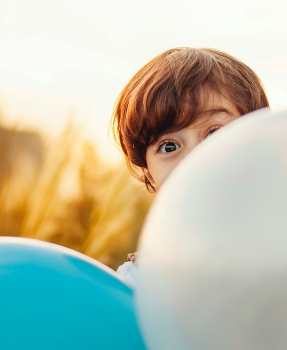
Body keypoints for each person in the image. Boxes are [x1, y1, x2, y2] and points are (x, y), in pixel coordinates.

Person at [112, 47, 269, 285]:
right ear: (149, 174)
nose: (196, 158)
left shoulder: (276, 252)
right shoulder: (138, 282)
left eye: (215, 132)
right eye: (169, 147)